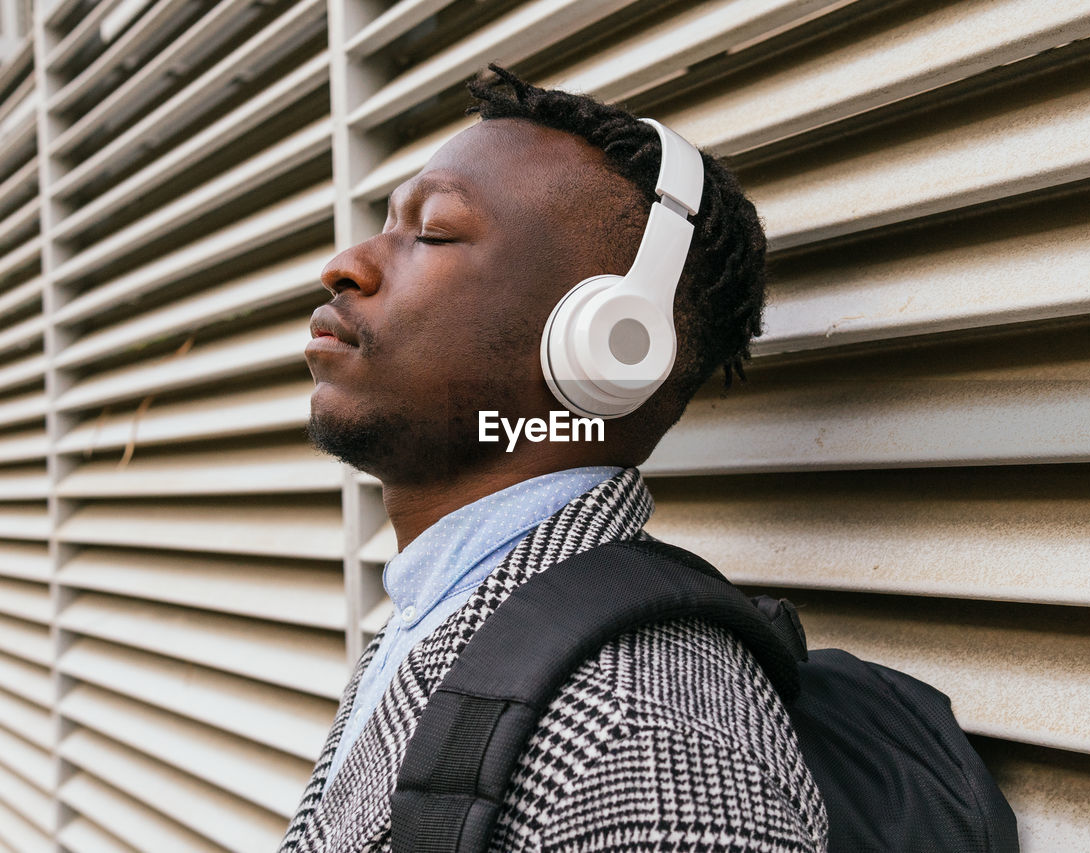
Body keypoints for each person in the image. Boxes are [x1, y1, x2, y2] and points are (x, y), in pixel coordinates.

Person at [280, 65, 828, 853]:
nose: (346, 264)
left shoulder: (640, 736)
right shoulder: (442, 615)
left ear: (609, 344)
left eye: (432, 230)